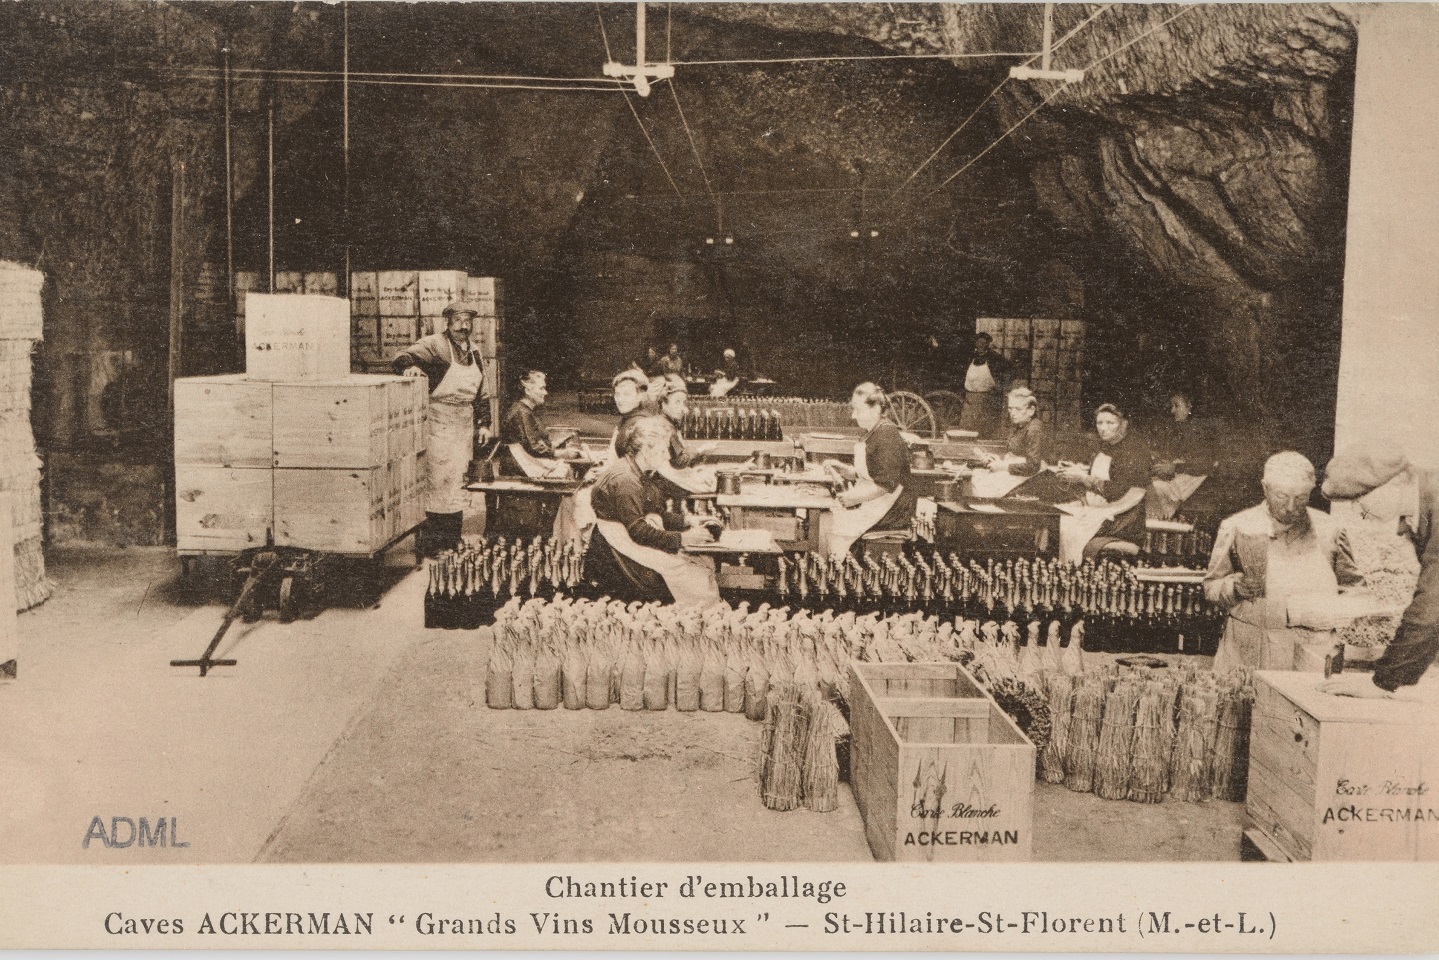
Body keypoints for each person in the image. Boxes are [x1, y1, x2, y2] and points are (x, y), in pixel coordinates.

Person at [1203, 451, 1364, 673]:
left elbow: (1354, 589)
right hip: (1249, 648)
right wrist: (1235, 588)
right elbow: (1211, 586)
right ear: (1265, 488)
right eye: (1281, 496)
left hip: (1310, 650)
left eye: (1301, 497)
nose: (1290, 507)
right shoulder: (1237, 526)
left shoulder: (1329, 530)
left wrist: (1336, 624)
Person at [1318, 450, 1439, 697]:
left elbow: (1430, 609)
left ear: (1397, 482)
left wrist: (1382, 682)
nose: (1359, 511)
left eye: (1360, 498)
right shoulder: (1422, 503)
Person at [587, 415, 724, 607]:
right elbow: (639, 531)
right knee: (690, 571)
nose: (667, 456)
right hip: (618, 549)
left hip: (630, 538)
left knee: (701, 561)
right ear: (645, 449)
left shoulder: (639, 471)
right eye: (662, 450)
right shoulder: (626, 480)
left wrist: (687, 521)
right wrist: (683, 539)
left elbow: (654, 513)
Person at [392, 299, 491, 555]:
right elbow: (401, 357)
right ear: (448, 322)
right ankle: (431, 544)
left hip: (463, 425)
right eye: (458, 321)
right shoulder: (435, 344)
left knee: (458, 484)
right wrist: (411, 367)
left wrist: (484, 424)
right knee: (436, 484)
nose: (463, 326)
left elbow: (482, 392)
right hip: (437, 423)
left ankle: (452, 540)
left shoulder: (475, 352)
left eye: (468, 321)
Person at [824, 383, 916, 556]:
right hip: (874, 503)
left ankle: (838, 567)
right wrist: (845, 470)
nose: (853, 416)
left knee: (831, 526)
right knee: (830, 522)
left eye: (858, 410)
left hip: (890, 511)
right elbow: (869, 473)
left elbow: (886, 484)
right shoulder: (872, 432)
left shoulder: (886, 435)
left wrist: (854, 498)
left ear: (875, 409)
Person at [1055, 402, 1153, 560]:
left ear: (1123, 424)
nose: (1103, 428)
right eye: (1099, 423)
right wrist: (1079, 471)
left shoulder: (1133, 451)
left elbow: (1117, 490)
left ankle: (1074, 568)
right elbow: (1103, 474)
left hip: (1123, 516)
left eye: (1110, 423)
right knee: (1062, 515)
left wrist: (1083, 478)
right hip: (1103, 508)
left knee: (1068, 524)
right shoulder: (1106, 446)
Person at [500, 370, 581, 479]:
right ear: (528, 390)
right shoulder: (521, 412)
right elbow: (533, 446)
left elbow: (532, 442)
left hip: (524, 460)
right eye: (541, 388)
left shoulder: (524, 410)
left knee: (566, 467)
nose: (545, 393)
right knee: (565, 468)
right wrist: (562, 453)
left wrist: (556, 444)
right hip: (519, 463)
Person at [1150, 390, 1218, 519]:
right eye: (1172, 406)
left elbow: (1208, 463)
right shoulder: (1178, 429)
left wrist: (1175, 467)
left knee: (1155, 488)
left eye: (1176, 405)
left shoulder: (1202, 430)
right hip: (1179, 478)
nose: (1172, 411)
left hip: (1196, 482)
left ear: (1189, 406)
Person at [653, 374, 715, 469]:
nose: (683, 408)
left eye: (683, 402)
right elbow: (679, 462)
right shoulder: (666, 427)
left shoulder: (665, 421)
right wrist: (701, 450)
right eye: (677, 402)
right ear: (663, 403)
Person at [958, 332, 1011, 438]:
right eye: (979, 342)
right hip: (970, 398)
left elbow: (1009, 370)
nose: (981, 345)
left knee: (984, 429)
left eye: (984, 342)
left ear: (988, 344)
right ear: (975, 343)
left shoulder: (994, 357)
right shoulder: (970, 357)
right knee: (967, 428)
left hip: (987, 399)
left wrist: (1001, 385)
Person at [990, 386, 1049, 476]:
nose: (1013, 413)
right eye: (1010, 408)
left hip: (1033, 478)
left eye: (1018, 409)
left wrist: (1004, 466)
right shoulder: (1021, 426)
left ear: (1031, 410)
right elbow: (1016, 453)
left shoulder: (1034, 429)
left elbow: (1033, 466)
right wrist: (998, 458)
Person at [608, 367, 651, 460]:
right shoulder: (627, 419)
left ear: (640, 396)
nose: (620, 400)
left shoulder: (641, 423)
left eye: (626, 394)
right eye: (617, 394)